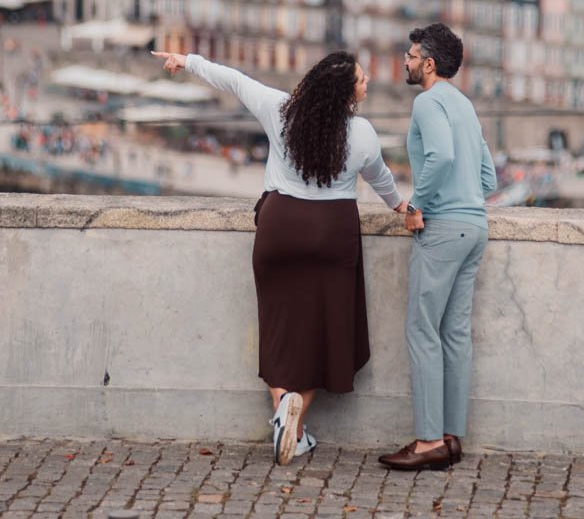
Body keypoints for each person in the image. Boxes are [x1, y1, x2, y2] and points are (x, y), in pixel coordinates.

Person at [151, 49, 406, 465]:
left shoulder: (280, 111)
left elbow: (233, 78)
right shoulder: (362, 133)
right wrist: (401, 209)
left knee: (278, 327)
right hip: (332, 235)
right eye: (361, 79)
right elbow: (381, 180)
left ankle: (286, 411)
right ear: (345, 95)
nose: (367, 83)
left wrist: (187, 61)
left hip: (281, 228)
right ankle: (295, 422)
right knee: (321, 330)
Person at [378, 23, 497, 472]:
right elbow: (488, 178)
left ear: (428, 64)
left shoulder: (428, 102)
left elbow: (441, 156)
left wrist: (417, 204)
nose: (405, 62)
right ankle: (451, 438)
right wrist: (463, 198)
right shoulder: (465, 105)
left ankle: (428, 442)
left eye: (410, 56)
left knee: (422, 331)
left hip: (443, 229)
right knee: (455, 334)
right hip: (475, 227)